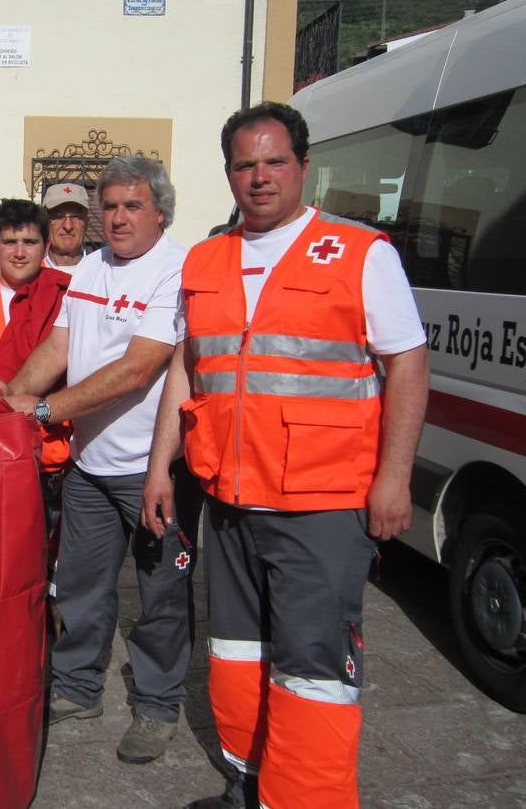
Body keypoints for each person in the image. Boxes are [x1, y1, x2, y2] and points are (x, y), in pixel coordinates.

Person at [142, 102, 428, 809]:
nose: (260, 177)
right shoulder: (206, 259)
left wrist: (394, 480)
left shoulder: (362, 253)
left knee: (313, 669)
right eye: (245, 164)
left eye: (274, 161)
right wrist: (159, 466)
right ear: (230, 174)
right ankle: (252, 785)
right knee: (237, 656)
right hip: (231, 500)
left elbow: (409, 363)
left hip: (322, 504)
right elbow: (188, 365)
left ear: (303, 166)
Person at [0, 156, 201, 767]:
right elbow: (61, 344)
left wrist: (42, 411)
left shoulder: (175, 269)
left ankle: (156, 704)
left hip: (153, 465)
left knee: (161, 596)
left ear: (160, 211)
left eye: (132, 205)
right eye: (111, 205)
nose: (117, 217)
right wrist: (12, 393)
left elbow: (139, 368)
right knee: (80, 587)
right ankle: (77, 688)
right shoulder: (95, 267)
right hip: (90, 464)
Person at [0, 198, 72, 531]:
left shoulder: (68, 296)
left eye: (30, 242)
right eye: (9, 242)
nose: (19, 252)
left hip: (50, 455)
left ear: (46, 246)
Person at [42, 181, 91, 269]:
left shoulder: (100, 270)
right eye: (59, 216)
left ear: (86, 223)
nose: (68, 226)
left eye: (75, 217)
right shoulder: (30, 273)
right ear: (45, 222)